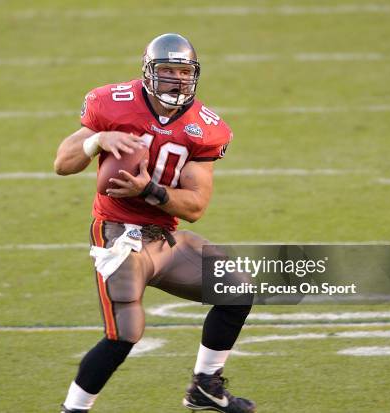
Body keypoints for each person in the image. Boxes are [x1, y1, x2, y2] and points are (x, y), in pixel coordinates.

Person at [54, 33, 256, 413]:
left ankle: (204, 387)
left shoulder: (206, 127)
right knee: (124, 334)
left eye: (183, 72)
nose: (176, 80)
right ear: (149, 72)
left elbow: (195, 206)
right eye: (167, 71)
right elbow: (62, 163)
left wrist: (150, 190)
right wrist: (97, 139)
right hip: (118, 235)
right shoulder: (110, 103)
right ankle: (73, 410)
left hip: (163, 239)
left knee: (236, 291)